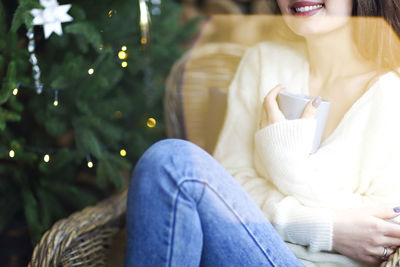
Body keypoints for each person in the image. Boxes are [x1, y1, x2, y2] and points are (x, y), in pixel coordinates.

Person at [124, 0, 400, 266]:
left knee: (171, 162)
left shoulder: (393, 91)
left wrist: (285, 164)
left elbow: (384, 228)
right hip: (240, 247)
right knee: (168, 162)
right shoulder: (264, 61)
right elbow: (231, 185)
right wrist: (323, 228)